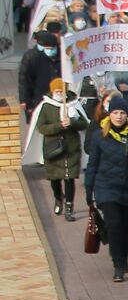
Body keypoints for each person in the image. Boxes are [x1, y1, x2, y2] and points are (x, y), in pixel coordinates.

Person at [83, 95, 128, 284]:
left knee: (126, 227)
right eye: (115, 112)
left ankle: (123, 256)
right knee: (114, 224)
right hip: (106, 188)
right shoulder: (100, 135)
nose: (118, 116)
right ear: (110, 114)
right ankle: (118, 264)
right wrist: (88, 188)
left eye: (122, 113)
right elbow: (92, 164)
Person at [34, 78, 87, 221]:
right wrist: (59, 126)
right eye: (56, 91)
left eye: (61, 91)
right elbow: (42, 127)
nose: (58, 94)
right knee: (55, 178)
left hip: (71, 149)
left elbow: (84, 124)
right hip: (54, 150)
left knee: (69, 178)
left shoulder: (73, 104)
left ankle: (70, 207)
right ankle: (58, 197)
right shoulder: (46, 106)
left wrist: (72, 123)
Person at [18, 30, 60, 120]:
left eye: (52, 48)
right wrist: (25, 100)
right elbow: (25, 80)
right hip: (39, 99)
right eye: (47, 49)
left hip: (58, 99)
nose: (50, 51)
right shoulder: (35, 59)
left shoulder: (62, 59)